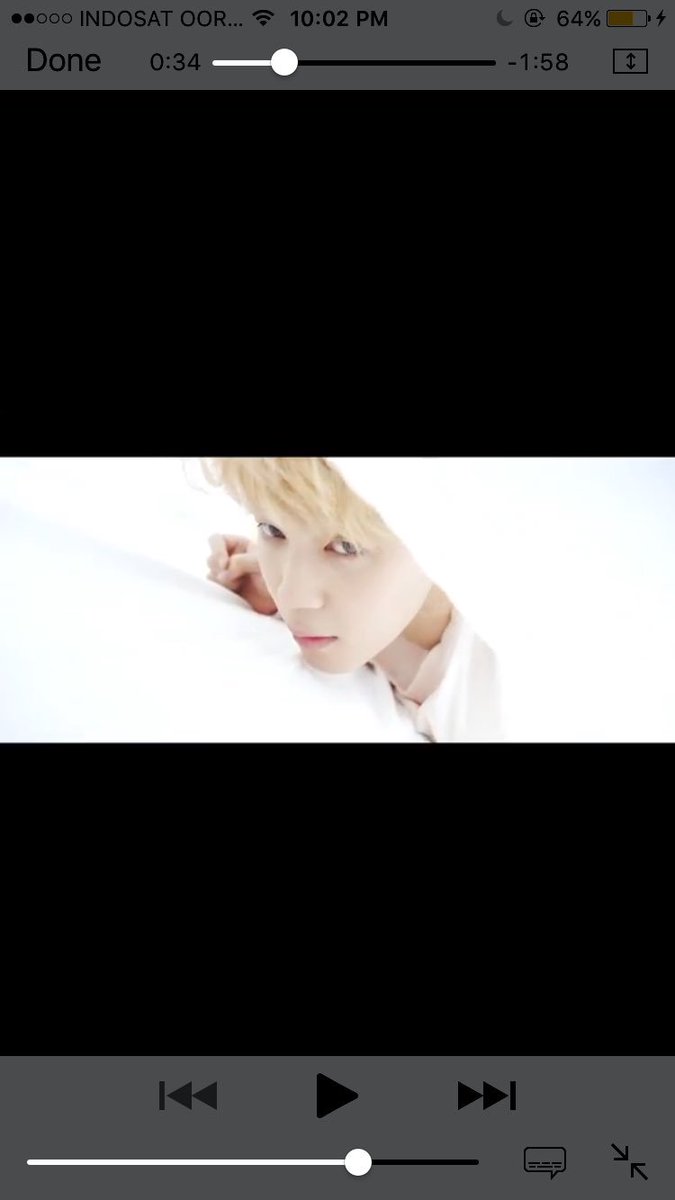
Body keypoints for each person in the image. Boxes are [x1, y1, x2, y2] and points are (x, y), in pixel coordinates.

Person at [202, 457, 502, 742]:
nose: (290, 595)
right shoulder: (391, 610)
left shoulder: (502, 699)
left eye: (346, 547)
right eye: (272, 530)